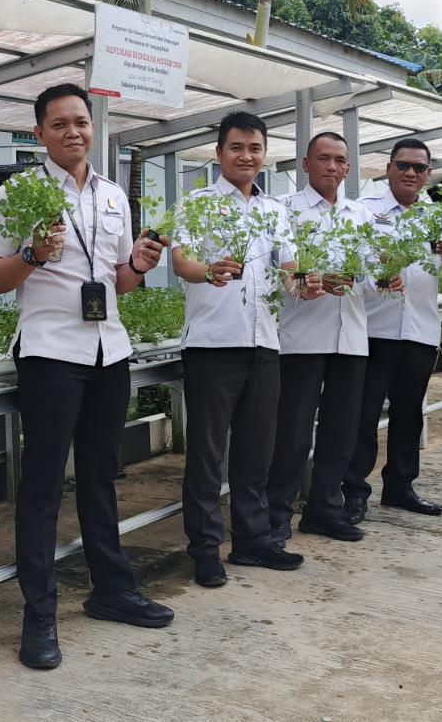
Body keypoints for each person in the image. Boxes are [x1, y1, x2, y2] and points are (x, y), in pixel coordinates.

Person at [0, 82, 172, 671]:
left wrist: (137, 266)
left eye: (80, 122)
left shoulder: (113, 197)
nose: (73, 132)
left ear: (94, 129)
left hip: (108, 353)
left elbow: (120, 284)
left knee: (99, 478)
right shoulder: (20, 193)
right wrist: (33, 256)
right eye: (59, 124)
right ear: (39, 133)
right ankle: (39, 615)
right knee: (41, 489)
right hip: (50, 354)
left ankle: (111, 590)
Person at [171, 111, 306, 588]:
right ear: (219, 153)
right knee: (207, 455)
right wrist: (207, 270)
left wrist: (305, 285)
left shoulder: (274, 210)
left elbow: (290, 267)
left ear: (265, 154)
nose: (246, 156)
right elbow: (180, 259)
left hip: (265, 344)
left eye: (254, 148)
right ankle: (205, 549)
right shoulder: (198, 203)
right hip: (213, 345)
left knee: (256, 451)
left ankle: (252, 541)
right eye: (236, 148)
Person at [341, 138, 442, 524]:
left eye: (419, 168)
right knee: (363, 415)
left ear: (429, 174)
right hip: (373, 330)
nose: (411, 173)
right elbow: (352, 265)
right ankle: (354, 491)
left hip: (419, 330)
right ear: (388, 169)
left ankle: (399, 486)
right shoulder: (365, 212)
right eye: (403, 166)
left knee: (409, 413)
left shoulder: (440, 218)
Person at [270, 131, 389, 543]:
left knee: (342, 429)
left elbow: (376, 278)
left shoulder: (361, 216)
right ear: (305, 164)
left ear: (348, 168)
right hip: (301, 339)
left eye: (340, 160)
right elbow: (279, 274)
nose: (332, 167)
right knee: (293, 431)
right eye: (323, 158)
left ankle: (324, 508)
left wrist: (385, 276)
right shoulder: (284, 210)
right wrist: (309, 280)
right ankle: (277, 512)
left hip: (351, 338)